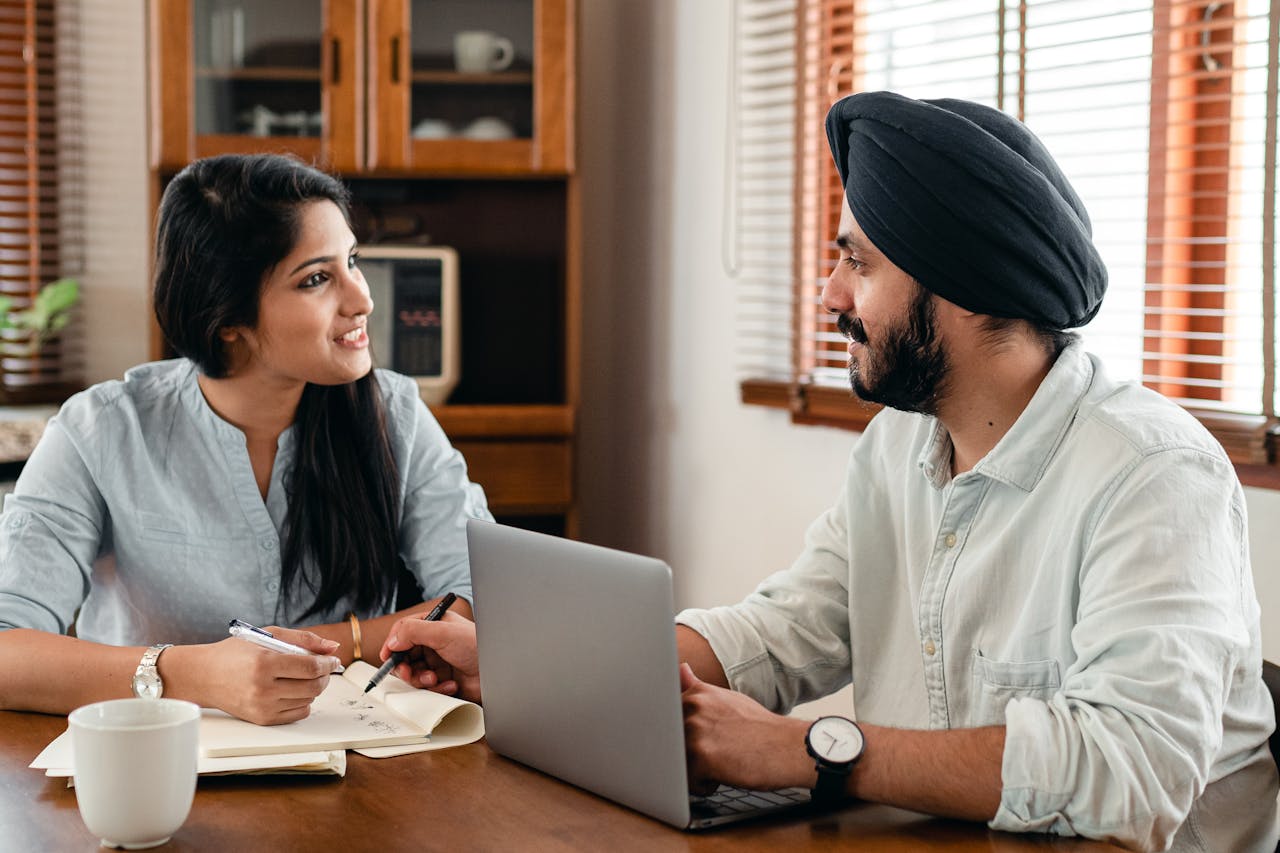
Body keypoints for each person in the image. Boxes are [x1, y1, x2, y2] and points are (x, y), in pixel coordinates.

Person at [384, 92, 1278, 852]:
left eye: (857, 261)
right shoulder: (899, 443)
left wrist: (810, 748)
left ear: (963, 291)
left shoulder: (1154, 474)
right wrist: (533, 665)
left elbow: (1137, 771)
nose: (830, 295)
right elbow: (785, 631)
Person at [0, 153, 491, 726]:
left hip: (364, 766)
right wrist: (194, 674)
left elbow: (480, 597)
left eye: (352, 261)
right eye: (316, 279)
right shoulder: (101, 430)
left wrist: (297, 650)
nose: (361, 299)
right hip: (164, 772)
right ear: (227, 316)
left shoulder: (396, 414)